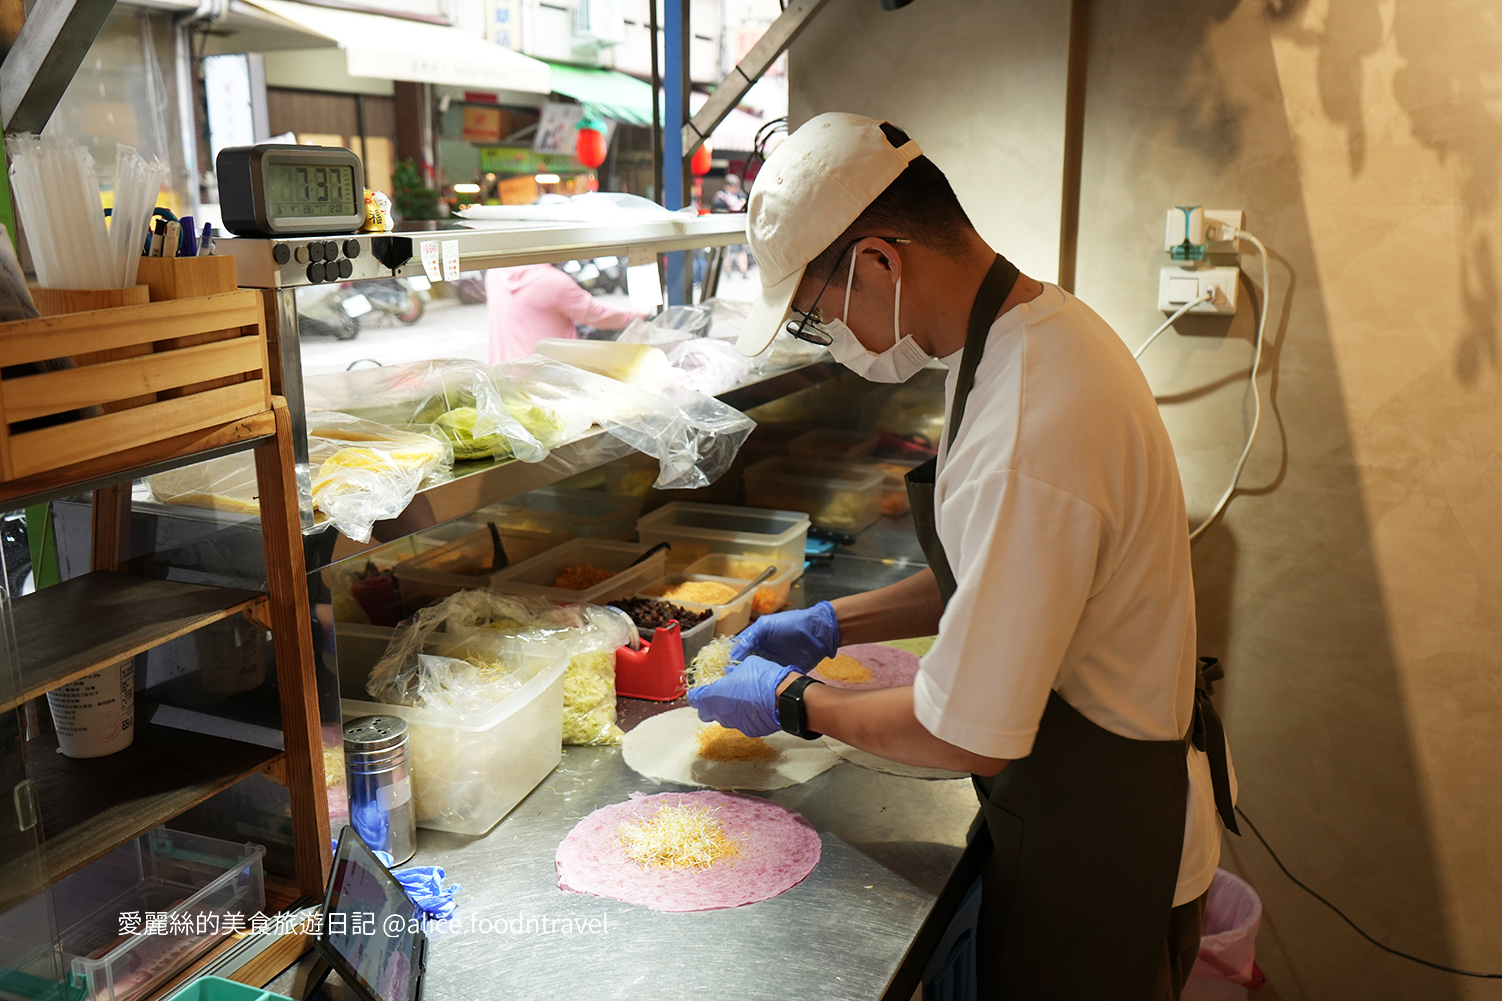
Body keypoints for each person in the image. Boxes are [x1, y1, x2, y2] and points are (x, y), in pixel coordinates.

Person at [686, 113, 1239, 1000]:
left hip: (1103, 846)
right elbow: (996, 581)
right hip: (1096, 803)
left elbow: (962, 731)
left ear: (879, 261)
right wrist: (833, 620)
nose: (837, 338)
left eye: (821, 316)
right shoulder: (1031, 332)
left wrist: (797, 702)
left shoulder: (1029, 420)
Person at [484, 263, 641, 364]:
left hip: (501, 374)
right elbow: (596, 314)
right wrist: (640, 315)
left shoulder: (496, 272)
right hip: (542, 378)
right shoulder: (553, 281)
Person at [711, 174, 751, 274]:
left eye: (736, 186)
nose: (735, 189)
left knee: (741, 250)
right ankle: (728, 271)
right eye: (732, 186)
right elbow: (716, 210)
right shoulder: (720, 197)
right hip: (726, 227)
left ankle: (744, 271)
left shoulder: (741, 195)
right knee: (728, 250)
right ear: (727, 186)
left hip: (739, 226)